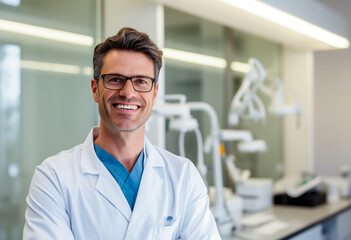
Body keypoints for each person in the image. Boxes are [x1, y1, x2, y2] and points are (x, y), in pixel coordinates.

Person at [23, 27, 221, 240]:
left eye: (141, 81)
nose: (128, 92)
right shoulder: (54, 178)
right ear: (95, 89)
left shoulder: (183, 177)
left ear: (154, 94)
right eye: (115, 79)